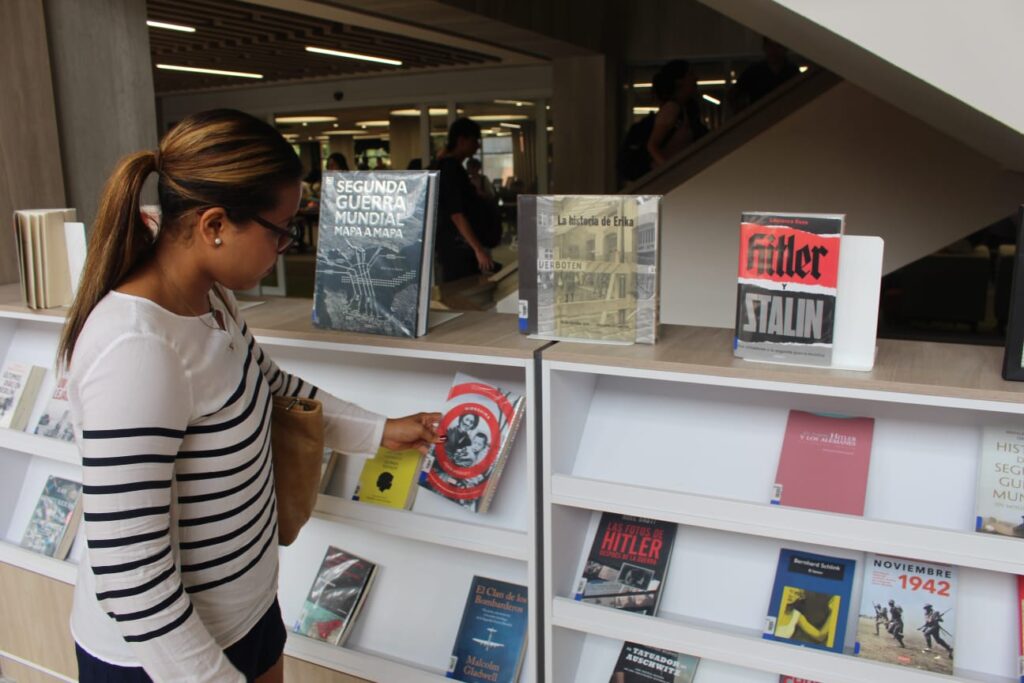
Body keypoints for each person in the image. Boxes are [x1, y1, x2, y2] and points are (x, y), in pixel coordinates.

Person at [59, 109, 442, 683]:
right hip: (167, 661)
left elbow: (272, 386)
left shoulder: (210, 302)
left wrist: (383, 430)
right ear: (215, 224)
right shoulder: (137, 351)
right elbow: (131, 573)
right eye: (279, 229)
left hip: (246, 615)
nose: (286, 246)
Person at [432, 117, 495, 281]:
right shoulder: (451, 169)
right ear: (462, 140)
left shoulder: (448, 166)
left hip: (456, 245)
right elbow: (456, 213)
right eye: (475, 140)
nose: (477, 145)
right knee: (464, 288)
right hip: (459, 247)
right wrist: (478, 249)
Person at [646, 59, 708, 169]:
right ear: (679, 81)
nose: (695, 78)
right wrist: (670, 170)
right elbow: (652, 145)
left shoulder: (687, 109)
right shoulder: (672, 109)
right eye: (690, 74)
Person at [732, 37, 800, 112]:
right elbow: (734, 95)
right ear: (764, 47)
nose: (774, 50)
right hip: (759, 117)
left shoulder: (792, 71)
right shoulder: (753, 72)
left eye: (778, 46)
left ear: (785, 48)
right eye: (770, 45)